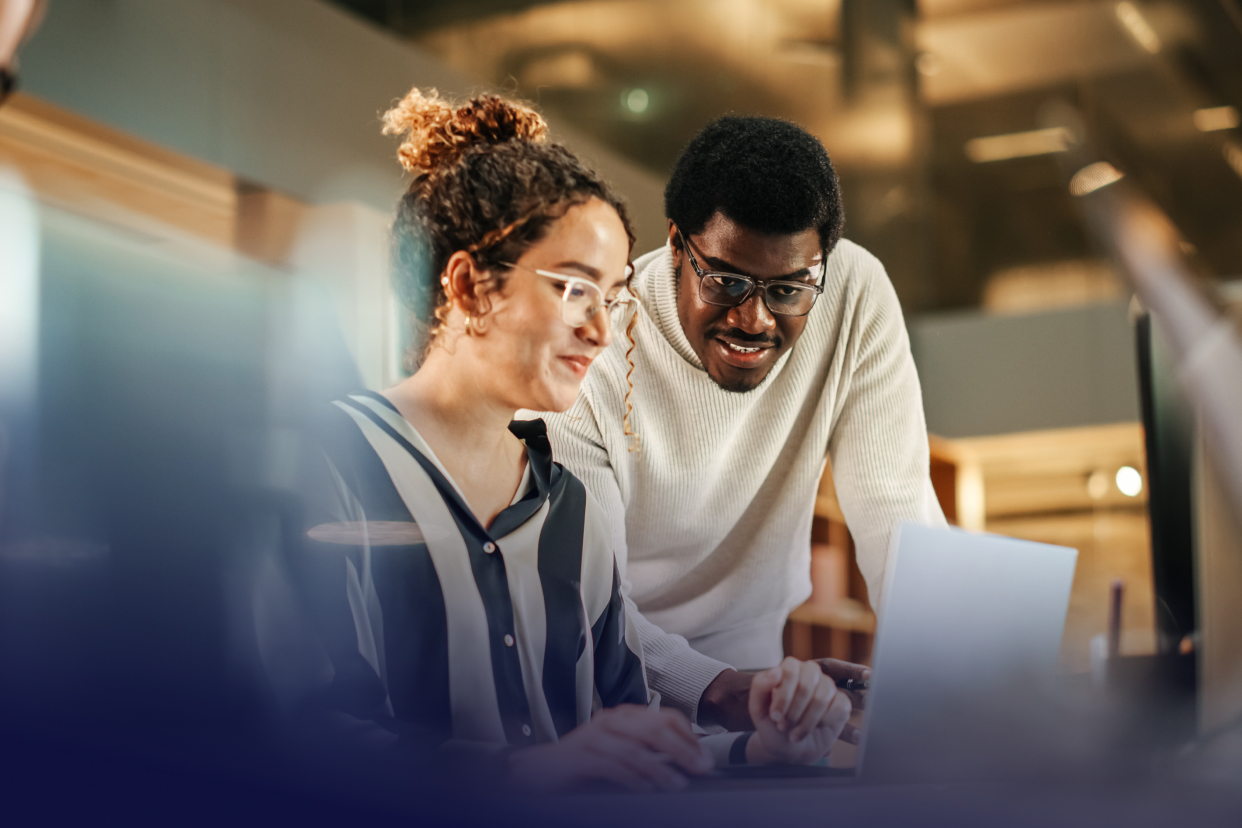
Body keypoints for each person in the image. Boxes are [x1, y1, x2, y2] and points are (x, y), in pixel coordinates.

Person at [295, 89, 855, 793]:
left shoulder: (573, 508)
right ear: (471, 287)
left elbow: (626, 744)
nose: (601, 331)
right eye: (574, 289)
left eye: (612, 296)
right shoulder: (326, 464)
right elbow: (299, 740)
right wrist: (521, 773)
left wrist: (757, 750)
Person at [534, 116, 947, 731]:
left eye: (788, 289)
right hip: (605, 704)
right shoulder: (588, 347)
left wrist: (942, 682)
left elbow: (899, 513)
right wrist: (716, 688)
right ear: (676, 246)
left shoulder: (854, 293)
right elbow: (588, 603)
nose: (754, 319)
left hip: (759, 689)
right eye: (726, 281)